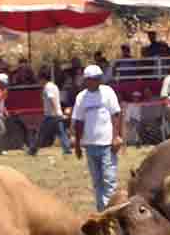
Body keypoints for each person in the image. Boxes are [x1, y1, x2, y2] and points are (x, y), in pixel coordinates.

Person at [71, 65, 122, 211]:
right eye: (93, 79)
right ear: (86, 80)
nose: (97, 81)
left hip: (107, 144)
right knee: (97, 182)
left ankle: (110, 211)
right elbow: (78, 121)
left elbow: (116, 115)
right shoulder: (81, 97)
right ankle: (102, 210)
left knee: (109, 180)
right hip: (90, 144)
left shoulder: (107, 92)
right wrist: (77, 145)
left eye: (98, 79)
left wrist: (116, 136)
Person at [29, 70, 72, 157]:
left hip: (50, 115)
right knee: (61, 132)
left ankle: (33, 150)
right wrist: (59, 112)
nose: (39, 81)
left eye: (39, 79)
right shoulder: (54, 86)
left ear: (43, 78)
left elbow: (51, 99)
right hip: (56, 114)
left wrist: (56, 111)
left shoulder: (48, 87)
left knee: (41, 133)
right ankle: (67, 149)